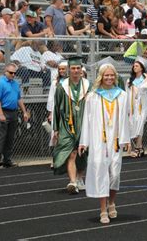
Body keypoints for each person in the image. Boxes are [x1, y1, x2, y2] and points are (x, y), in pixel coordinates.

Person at [79, 63, 130, 224]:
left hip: (115, 141)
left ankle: (112, 201)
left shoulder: (122, 95)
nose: (109, 78)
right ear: (101, 76)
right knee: (101, 173)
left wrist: (126, 138)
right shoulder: (93, 96)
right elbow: (86, 121)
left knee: (115, 175)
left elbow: (125, 119)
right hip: (98, 141)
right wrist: (84, 142)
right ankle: (102, 210)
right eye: (106, 75)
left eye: (112, 75)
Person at [53, 56, 91, 194]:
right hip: (66, 124)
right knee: (71, 153)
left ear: (81, 70)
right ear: (69, 70)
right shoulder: (61, 87)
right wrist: (56, 129)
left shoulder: (88, 85)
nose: (75, 71)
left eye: (78, 68)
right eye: (73, 68)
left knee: (83, 153)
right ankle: (73, 181)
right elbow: (57, 107)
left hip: (84, 124)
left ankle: (80, 178)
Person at [0, 63, 30, 169]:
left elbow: (19, 99)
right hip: (3, 111)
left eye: (14, 73)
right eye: (11, 73)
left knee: (10, 137)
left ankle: (7, 160)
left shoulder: (15, 84)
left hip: (13, 112)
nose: (13, 75)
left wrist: (24, 111)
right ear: (5, 71)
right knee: (2, 136)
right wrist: (1, 114)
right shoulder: (0, 83)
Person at [126, 60, 147, 158]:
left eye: (137, 66)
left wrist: (146, 79)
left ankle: (137, 147)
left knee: (140, 125)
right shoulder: (129, 80)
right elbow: (127, 94)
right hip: (132, 106)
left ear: (141, 68)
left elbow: (143, 89)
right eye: (134, 66)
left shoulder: (145, 79)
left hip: (142, 105)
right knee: (134, 126)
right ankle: (140, 147)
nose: (134, 67)